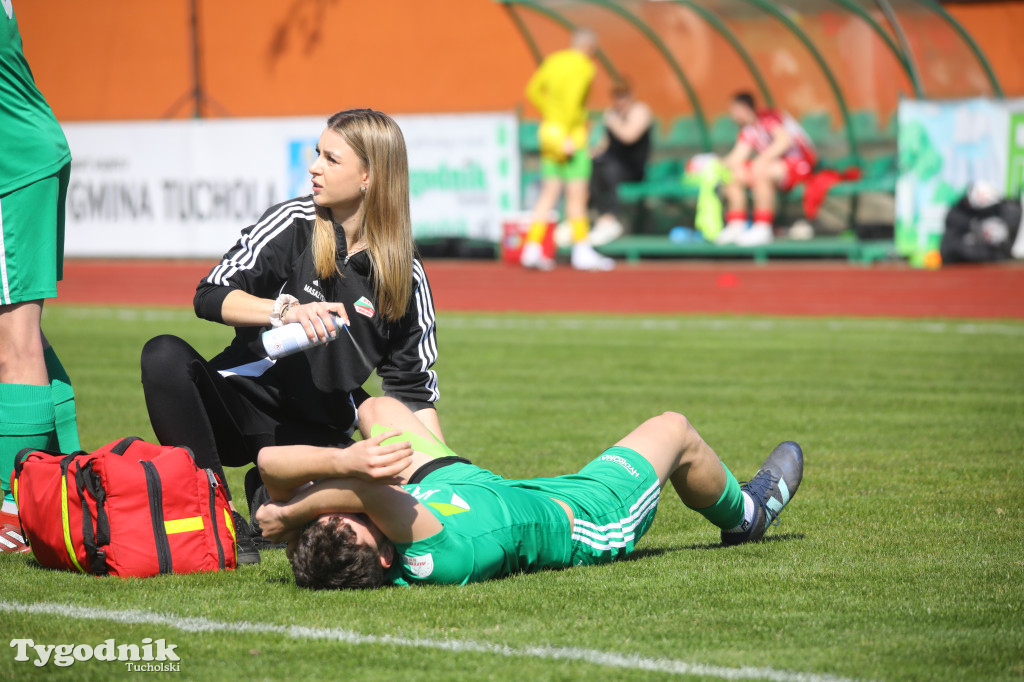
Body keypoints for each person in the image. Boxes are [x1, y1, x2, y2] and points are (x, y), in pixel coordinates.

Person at [139, 109, 441, 565]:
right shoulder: (294, 223)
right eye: (317, 154)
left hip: (315, 435)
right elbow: (209, 294)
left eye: (330, 159)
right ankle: (217, 514)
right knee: (162, 355)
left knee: (322, 532)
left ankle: (266, 494)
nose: (314, 167)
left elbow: (412, 395)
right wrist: (284, 311)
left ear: (369, 177)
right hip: (237, 404)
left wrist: (438, 487)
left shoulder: (404, 276)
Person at [254, 396, 803, 589]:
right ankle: (746, 514)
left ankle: (433, 431)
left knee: (376, 410)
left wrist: (288, 511)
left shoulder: (367, 536)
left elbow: (266, 462)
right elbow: (356, 489)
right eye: (348, 518)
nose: (336, 510)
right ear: (385, 553)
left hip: (468, 489)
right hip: (581, 514)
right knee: (675, 427)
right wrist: (292, 511)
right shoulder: (433, 558)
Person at [0, 1, 80, 533]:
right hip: (23, 160)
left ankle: (12, 509)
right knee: (19, 334)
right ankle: (67, 477)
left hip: (13, 167)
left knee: (15, 340)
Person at [521, 28, 614, 271]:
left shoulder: (552, 60)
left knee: (549, 194)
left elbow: (532, 91)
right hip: (570, 135)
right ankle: (581, 250)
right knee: (577, 194)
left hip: (550, 132)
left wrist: (550, 113)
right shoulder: (585, 66)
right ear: (591, 48)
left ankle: (531, 248)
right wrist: (572, 133)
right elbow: (574, 101)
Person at [718, 92, 817, 247]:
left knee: (761, 170)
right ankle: (736, 225)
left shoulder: (769, 118)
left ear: (744, 107)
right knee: (732, 175)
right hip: (774, 167)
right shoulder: (748, 130)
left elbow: (784, 141)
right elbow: (737, 156)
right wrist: (713, 165)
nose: (732, 114)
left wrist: (762, 160)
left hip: (799, 165)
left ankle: (763, 227)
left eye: (734, 109)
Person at [588, 79, 653, 246]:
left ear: (631, 95)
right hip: (611, 166)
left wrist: (613, 122)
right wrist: (592, 152)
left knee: (609, 168)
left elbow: (629, 137)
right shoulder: (612, 114)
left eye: (623, 95)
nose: (620, 100)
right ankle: (600, 217)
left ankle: (611, 217)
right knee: (594, 166)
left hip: (633, 168)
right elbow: (604, 145)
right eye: (617, 96)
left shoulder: (640, 111)